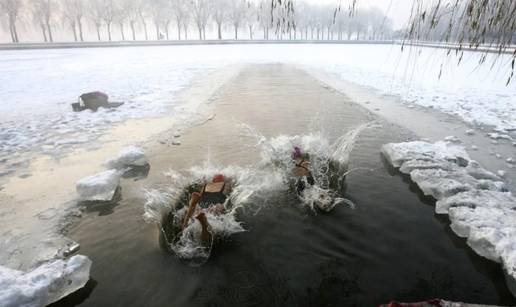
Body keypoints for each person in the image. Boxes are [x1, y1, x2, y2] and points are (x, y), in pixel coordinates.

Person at [181, 174, 232, 242]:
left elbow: (201, 195)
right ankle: (204, 224)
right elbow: (229, 192)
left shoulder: (206, 185)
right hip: (216, 203)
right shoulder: (224, 185)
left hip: (202, 203)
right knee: (217, 213)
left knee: (193, 216)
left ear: (213, 180)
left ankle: (186, 220)